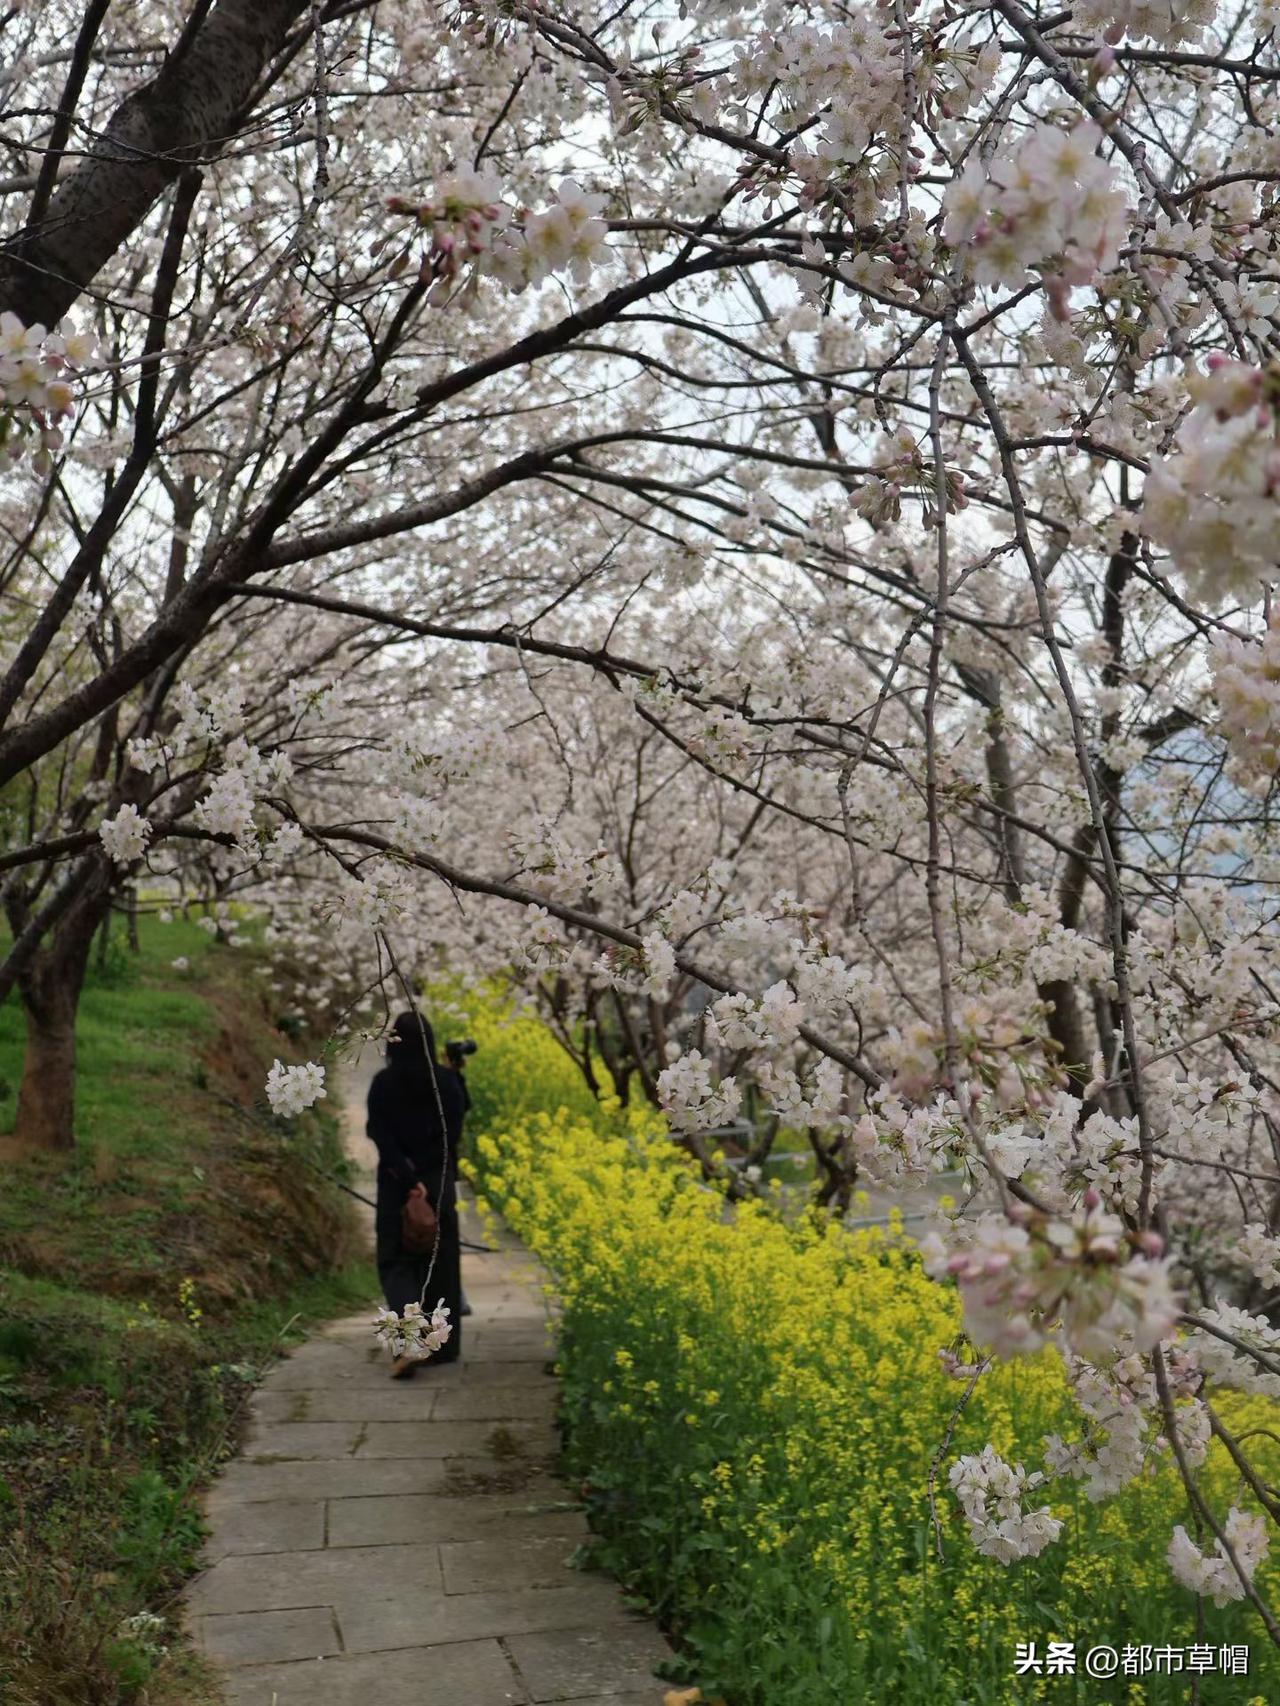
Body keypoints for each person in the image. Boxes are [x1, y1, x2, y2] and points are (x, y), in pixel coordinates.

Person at [367, 1008, 469, 1377]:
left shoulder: (383, 1084)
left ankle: (408, 1345)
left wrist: (410, 1179)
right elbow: (452, 1133)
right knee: (441, 1266)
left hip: (397, 1185)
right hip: (438, 1183)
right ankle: (444, 1347)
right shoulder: (446, 1083)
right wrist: (427, 1177)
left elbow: (379, 1134)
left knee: (396, 1264)